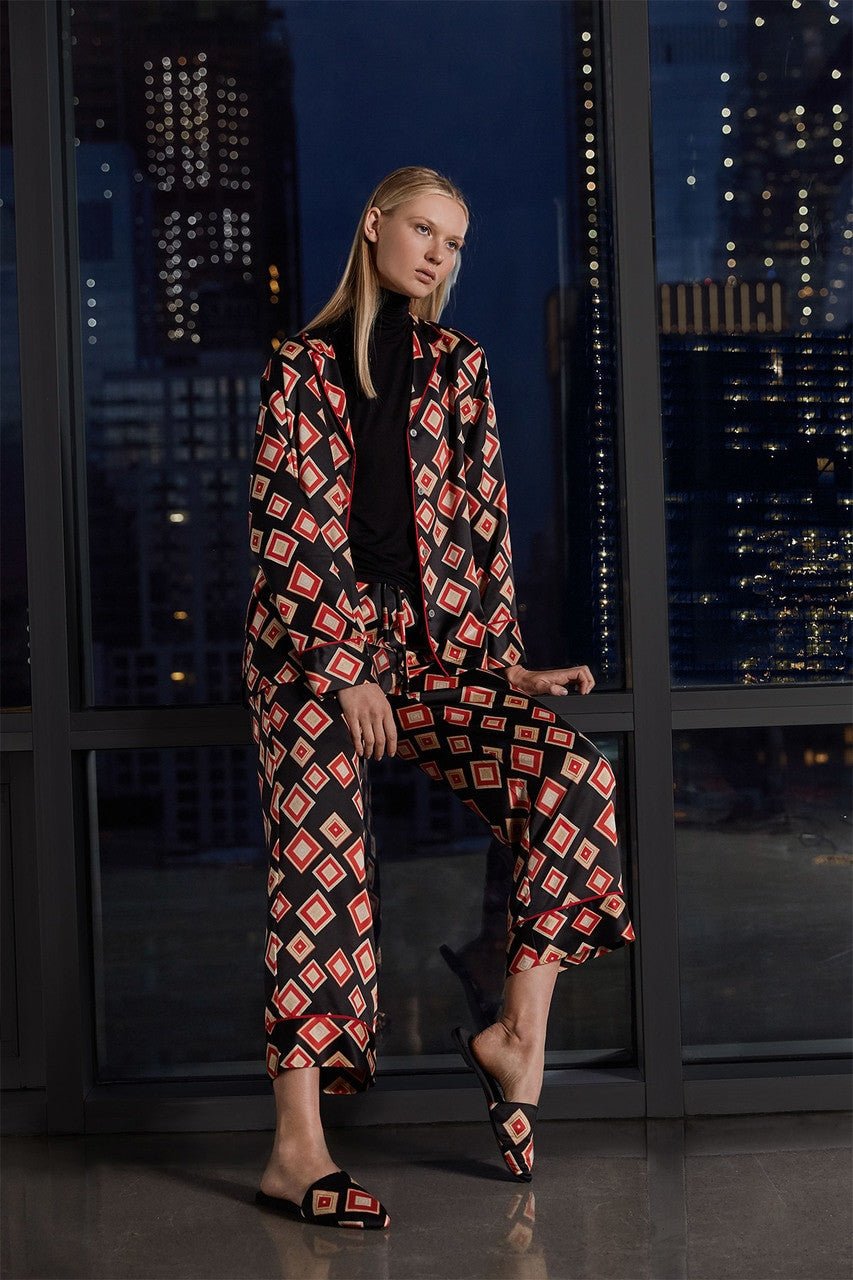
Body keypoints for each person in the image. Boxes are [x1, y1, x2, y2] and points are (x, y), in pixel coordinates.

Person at [243, 166, 633, 1230]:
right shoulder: (300, 366)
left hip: (433, 650)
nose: (437, 254)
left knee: (571, 774)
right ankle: (295, 1151)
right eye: (423, 230)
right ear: (375, 224)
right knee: (318, 865)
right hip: (310, 651)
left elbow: (481, 525)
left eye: (453, 242)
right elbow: (288, 530)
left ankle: (515, 1034)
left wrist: (504, 666)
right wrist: (343, 668)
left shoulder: (459, 366)